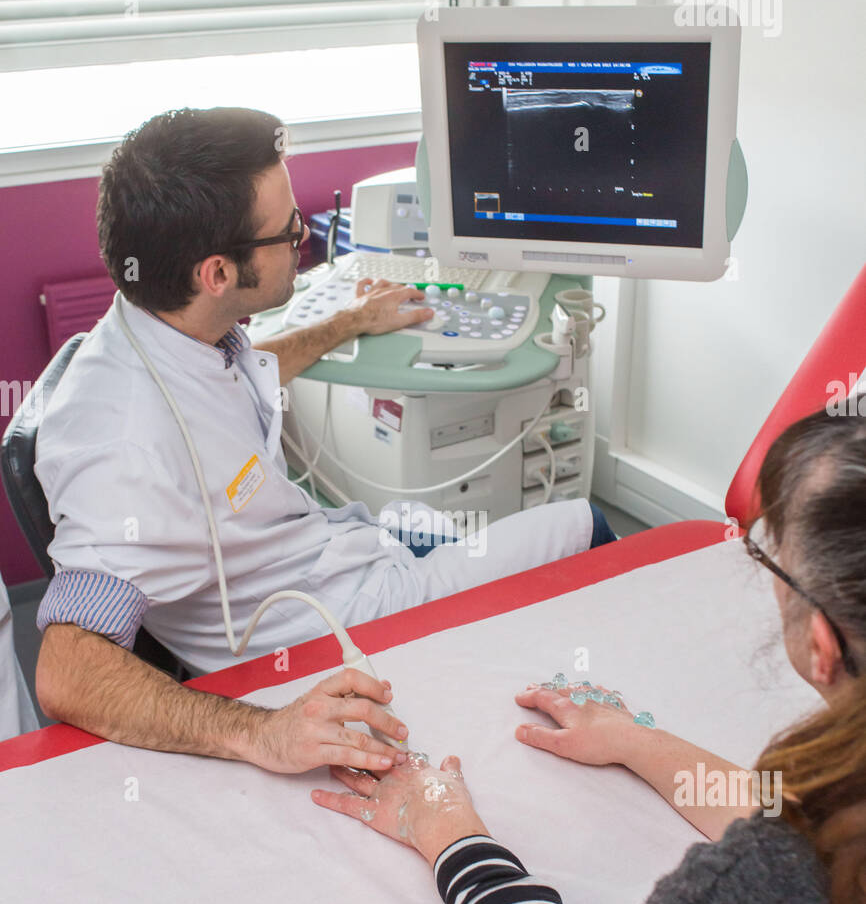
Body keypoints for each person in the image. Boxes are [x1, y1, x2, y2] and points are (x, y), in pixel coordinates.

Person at [311, 405, 866, 904]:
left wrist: (449, 831)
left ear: (822, 643)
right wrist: (640, 744)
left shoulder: (777, 897)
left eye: (772, 564)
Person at [34, 106, 615, 776]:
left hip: (345, 545)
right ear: (217, 273)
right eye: (289, 232)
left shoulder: (162, 325)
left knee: (465, 531)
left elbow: (244, 375)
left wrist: (350, 321)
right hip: (344, 615)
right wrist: (258, 732)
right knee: (585, 523)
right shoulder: (126, 450)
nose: (305, 238)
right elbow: (66, 671)